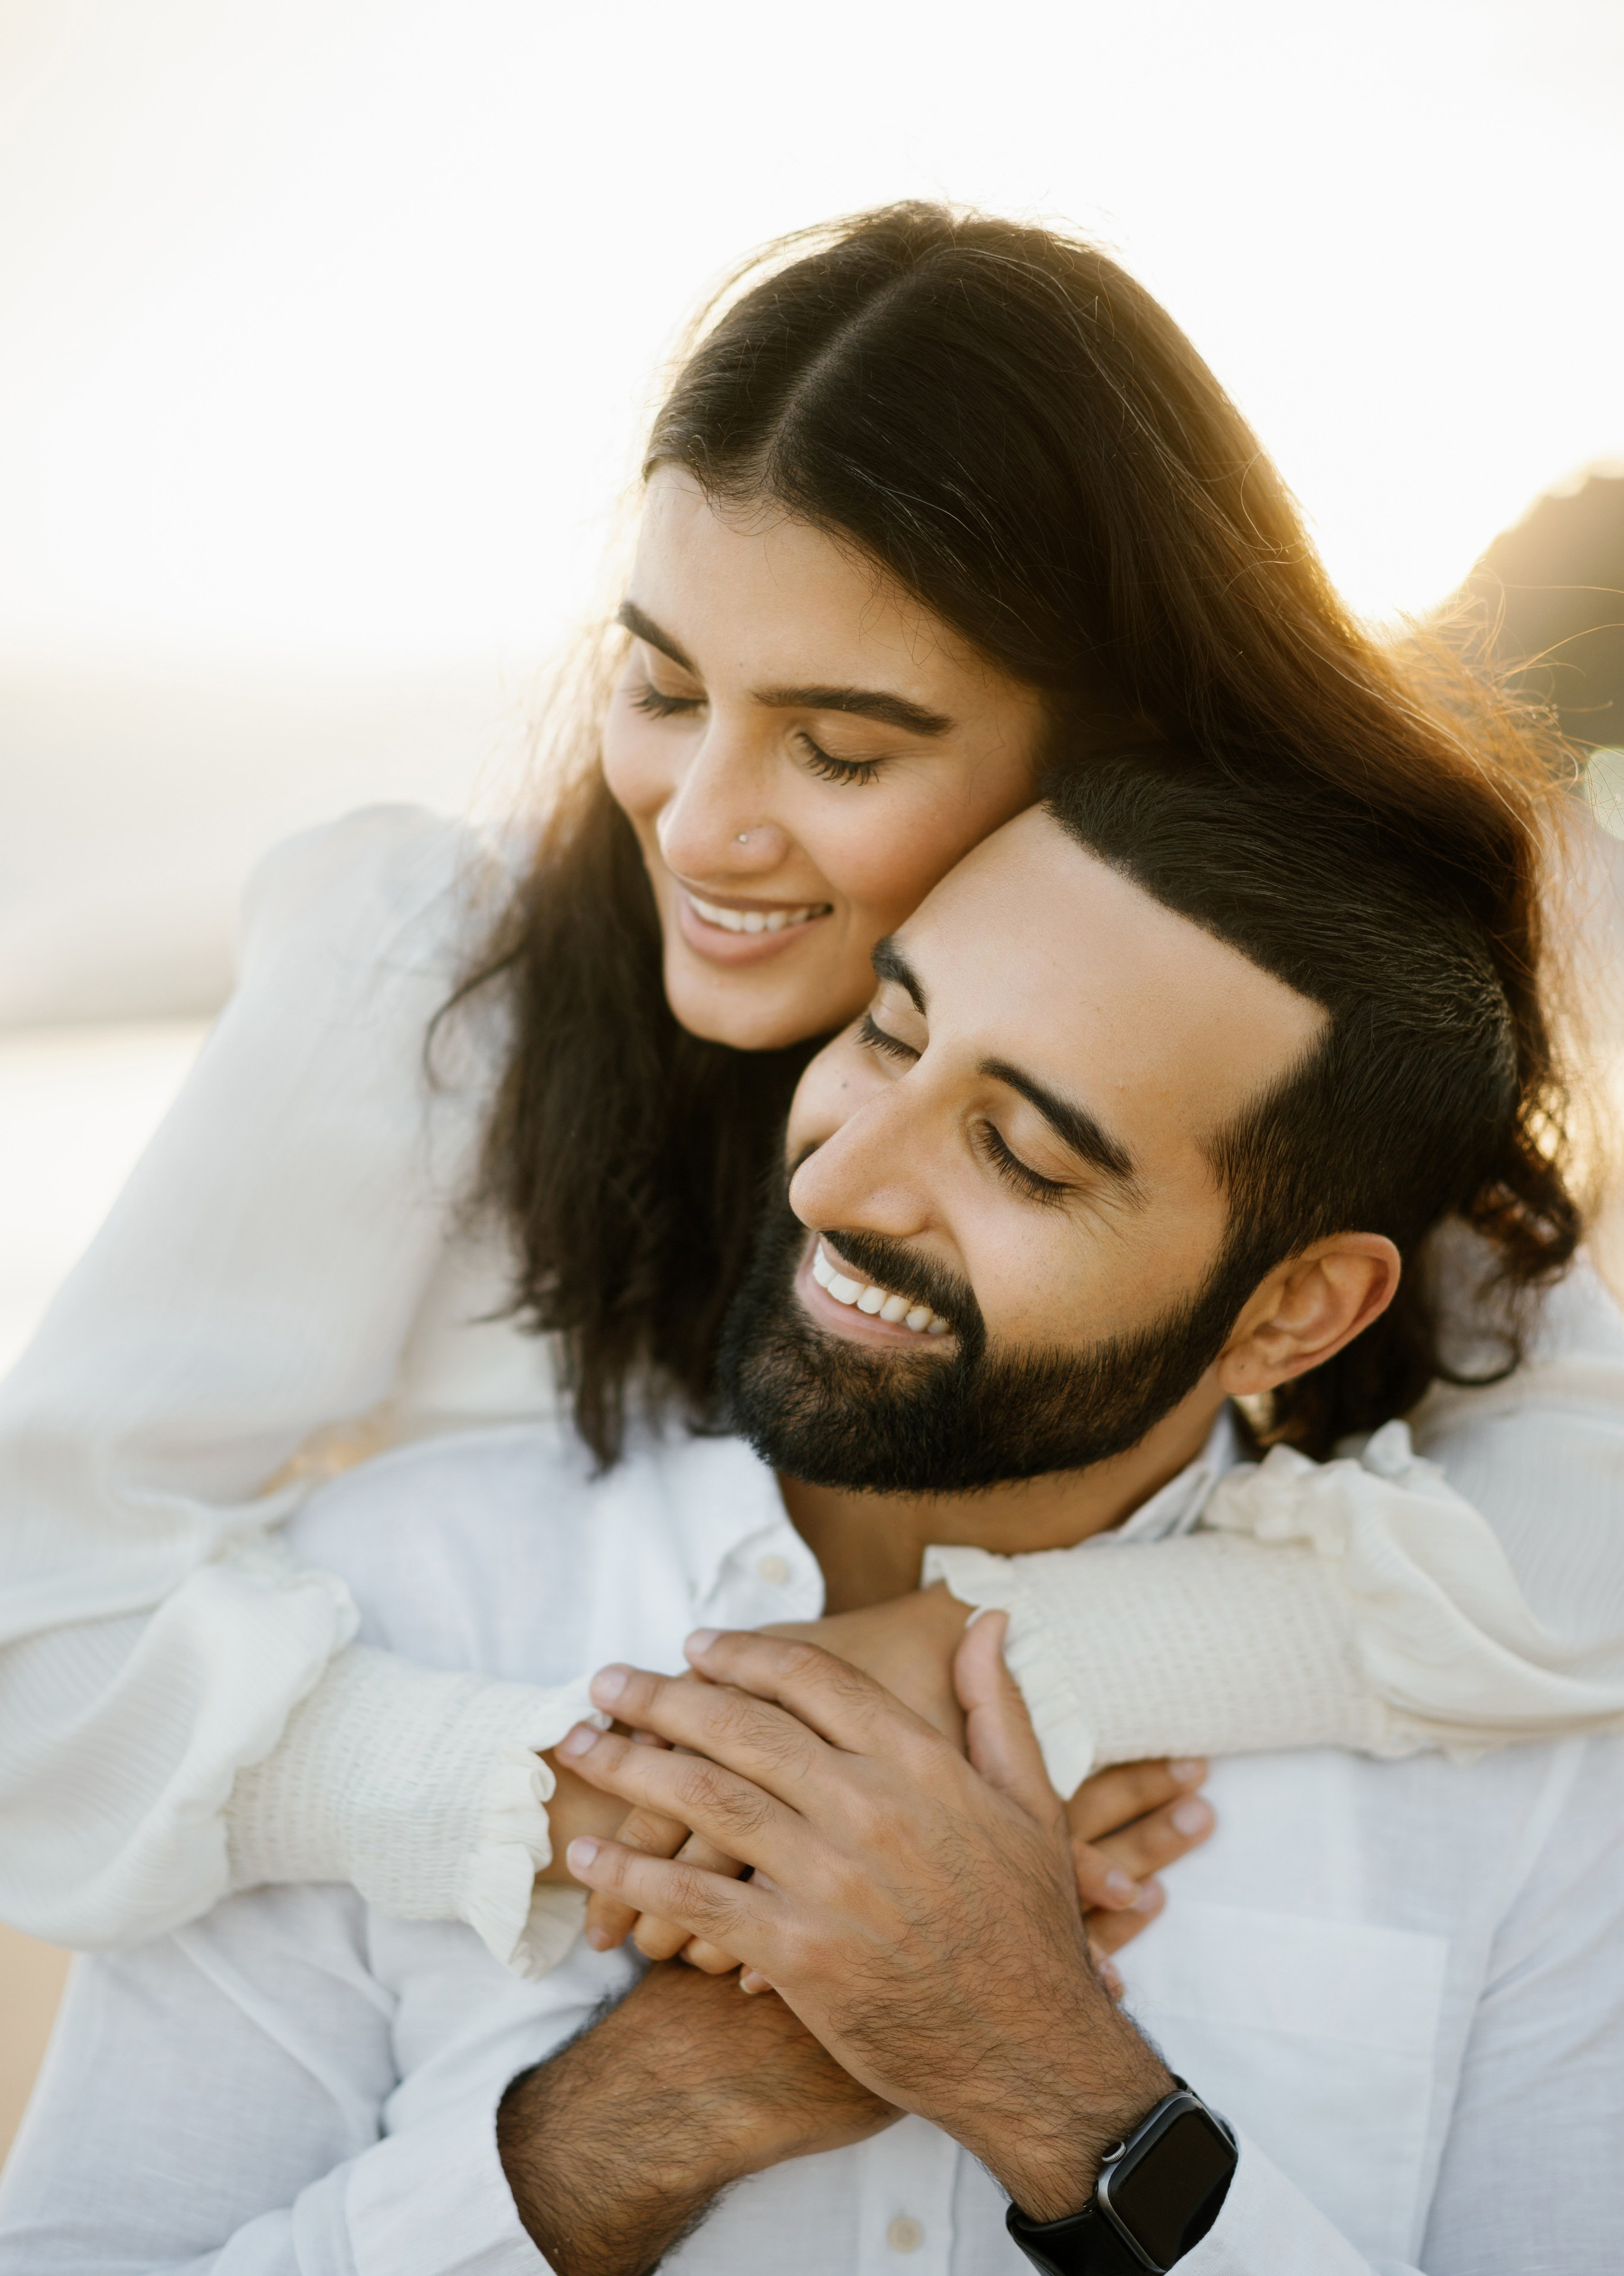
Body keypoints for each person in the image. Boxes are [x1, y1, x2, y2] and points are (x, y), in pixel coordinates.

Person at [1, 205, 1621, 1980]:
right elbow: (34, 1639)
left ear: (1109, 756)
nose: (697, 827)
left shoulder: (1243, 1046)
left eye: (843, 748)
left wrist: (995, 1660)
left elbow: (1590, 1545)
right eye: (663, 687)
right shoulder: (435, 979)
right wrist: (600, 1795)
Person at [3, 759, 1617, 2276]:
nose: (842, 1183)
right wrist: (643, 2115)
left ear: (1296, 1310)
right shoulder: (380, 1611)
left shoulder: (1532, 1768)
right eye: (892, 1036)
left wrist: (1057, 2086)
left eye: (1026, 1158)